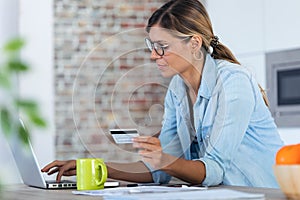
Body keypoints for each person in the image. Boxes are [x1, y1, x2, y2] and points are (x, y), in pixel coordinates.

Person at [42, 0, 284, 188]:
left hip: (261, 193)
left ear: (194, 43)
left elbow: (214, 169)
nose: (153, 55)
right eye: (152, 46)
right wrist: (94, 167)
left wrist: (165, 160)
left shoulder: (233, 82)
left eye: (162, 47)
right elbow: (159, 169)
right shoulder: (177, 90)